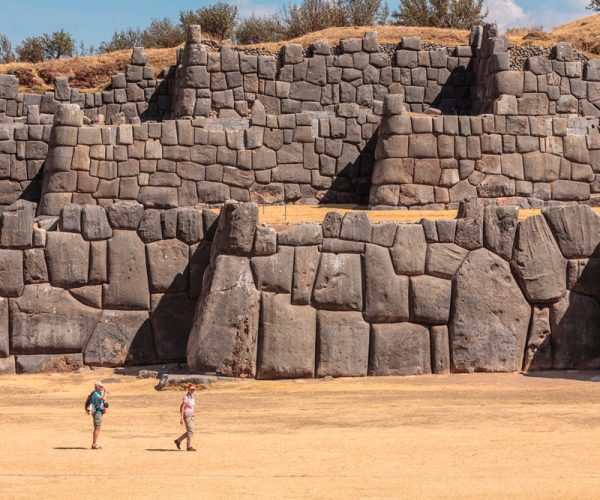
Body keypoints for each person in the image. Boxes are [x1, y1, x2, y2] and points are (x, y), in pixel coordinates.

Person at [174, 384, 197, 451]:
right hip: (187, 415)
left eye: (194, 389)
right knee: (190, 431)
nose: (193, 390)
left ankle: (178, 441)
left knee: (191, 431)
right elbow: (182, 407)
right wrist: (181, 418)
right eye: (191, 389)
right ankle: (188, 447)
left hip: (191, 415)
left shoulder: (192, 397)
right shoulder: (186, 397)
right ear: (188, 389)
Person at [87, 382, 107, 450]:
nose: (102, 388)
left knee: (97, 428)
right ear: (97, 387)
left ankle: (94, 444)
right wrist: (106, 392)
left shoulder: (97, 393)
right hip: (97, 412)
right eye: (101, 386)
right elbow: (103, 399)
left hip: (98, 411)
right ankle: (94, 445)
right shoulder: (95, 393)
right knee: (97, 428)